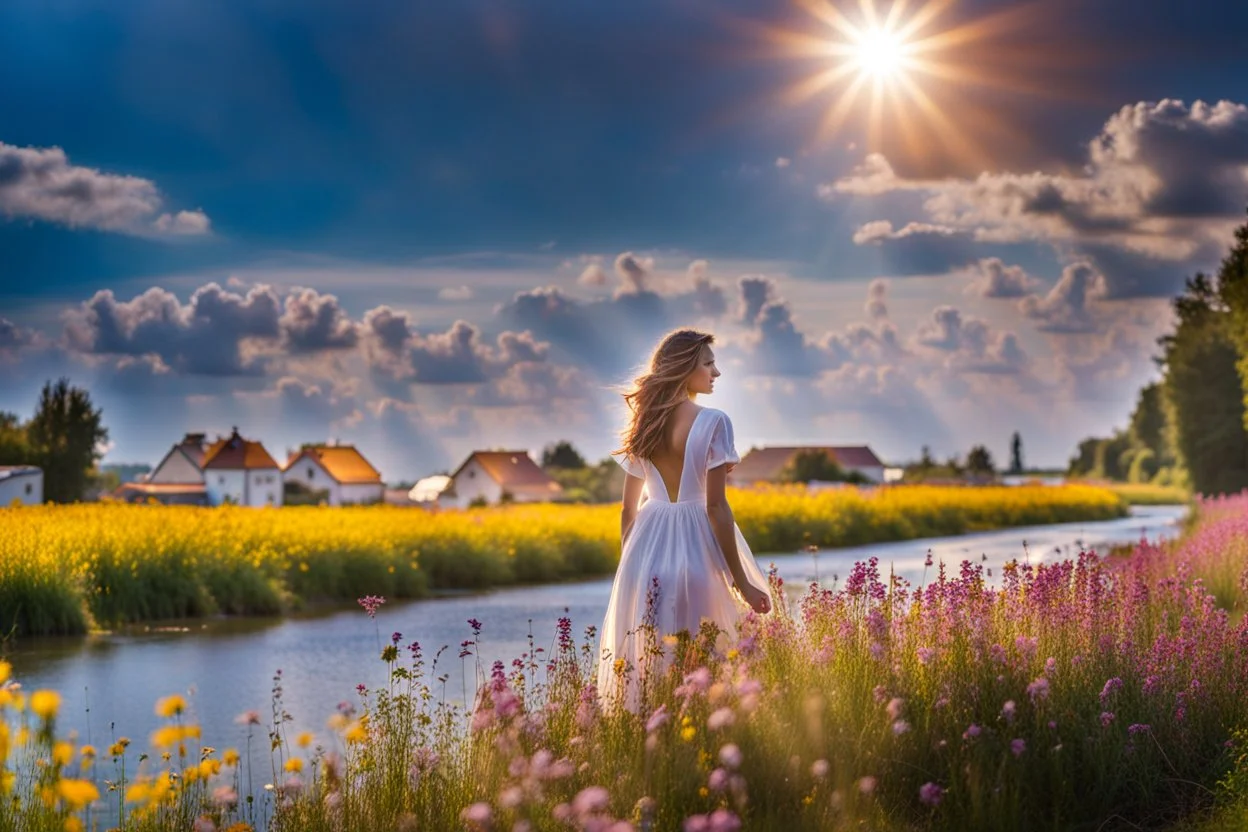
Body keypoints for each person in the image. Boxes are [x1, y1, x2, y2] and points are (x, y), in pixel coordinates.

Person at [597, 328, 772, 711]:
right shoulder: (714, 421)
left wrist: (631, 564)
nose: (717, 372)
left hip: (645, 551)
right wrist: (742, 582)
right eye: (709, 363)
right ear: (685, 368)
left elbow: (627, 510)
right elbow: (715, 509)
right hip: (696, 549)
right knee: (708, 667)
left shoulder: (643, 424)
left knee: (649, 669)